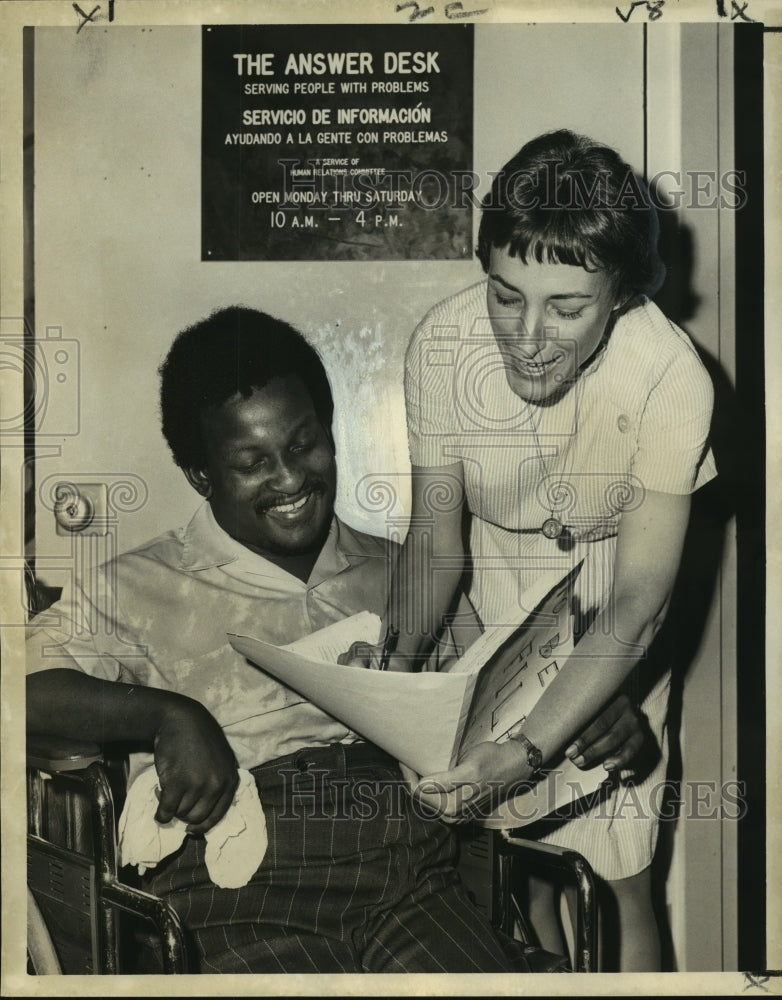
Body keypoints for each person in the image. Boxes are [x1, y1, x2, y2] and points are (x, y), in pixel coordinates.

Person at [26, 305, 647, 974]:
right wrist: (168, 715)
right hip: (238, 890)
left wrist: (586, 716)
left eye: (303, 444)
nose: (290, 478)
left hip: (412, 877)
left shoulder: (405, 575)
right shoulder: (135, 586)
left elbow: (499, 712)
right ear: (202, 475)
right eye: (251, 462)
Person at [364, 130, 716, 971]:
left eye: (567, 307)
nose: (527, 335)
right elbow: (436, 544)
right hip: (494, 577)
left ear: (622, 294)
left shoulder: (671, 376)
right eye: (506, 294)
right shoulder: (442, 346)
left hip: (612, 592)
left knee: (617, 863)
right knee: (510, 859)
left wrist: (530, 746)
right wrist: (392, 671)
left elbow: (640, 599)